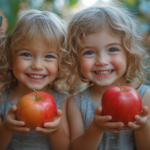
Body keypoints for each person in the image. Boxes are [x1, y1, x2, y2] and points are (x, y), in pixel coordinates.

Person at [66, 2, 150, 150]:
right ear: (76, 60)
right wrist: (96, 127)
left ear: (129, 54)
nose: (102, 61)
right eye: (89, 52)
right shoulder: (76, 103)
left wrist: (142, 127)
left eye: (112, 49)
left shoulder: (144, 96)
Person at [0, 9, 70, 150]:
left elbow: (65, 148)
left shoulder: (63, 101)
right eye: (26, 54)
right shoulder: (2, 99)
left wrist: (56, 130)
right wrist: (7, 127)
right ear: (10, 59)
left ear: (61, 62)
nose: (37, 66)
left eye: (49, 56)